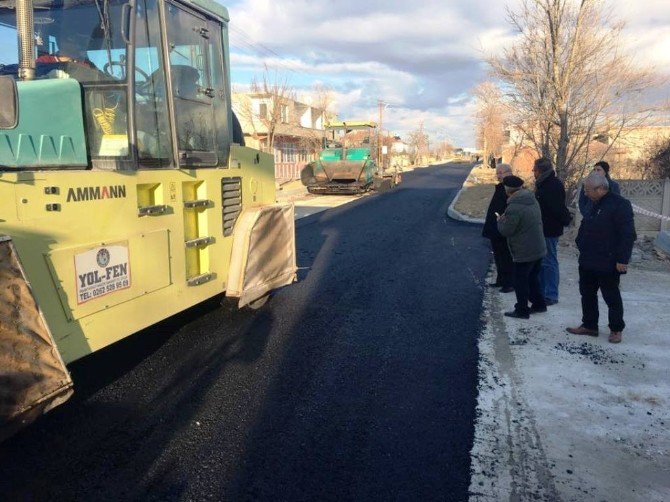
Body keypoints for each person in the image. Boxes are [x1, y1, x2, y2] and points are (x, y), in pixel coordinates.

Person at [567, 172, 636, 343]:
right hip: (588, 258)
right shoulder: (592, 203)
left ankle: (616, 328)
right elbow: (585, 225)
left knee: (611, 296)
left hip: (609, 260)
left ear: (601, 188)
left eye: (588, 190)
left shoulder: (620, 204)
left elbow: (628, 234)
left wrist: (622, 259)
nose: (586, 193)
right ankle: (589, 325)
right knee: (587, 294)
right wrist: (580, 242)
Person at [497, 175, 547, 319]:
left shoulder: (514, 207)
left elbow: (506, 230)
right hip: (538, 246)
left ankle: (522, 310)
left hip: (524, 250)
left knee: (520, 281)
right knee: (532, 278)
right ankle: (539, 304)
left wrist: (500, 221)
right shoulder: (531, 199)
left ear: (507, 190)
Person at [533, 157, 572, 305]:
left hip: (549, 229)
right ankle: (542, 292)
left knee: (549, 262)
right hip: (543, 228)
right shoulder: (544, 183)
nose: (532, 172)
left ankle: (551, 295)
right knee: (543, 262)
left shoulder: (552, 185)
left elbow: (556, 209)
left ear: (540, 171)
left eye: (534, 169)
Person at [482, 163, 514, 292]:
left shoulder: (510, 188)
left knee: (506, 257)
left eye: (501, 173)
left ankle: (509, 283)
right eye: (497, 173)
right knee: (498, 256)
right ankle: (501, 280)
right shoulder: (500, 187)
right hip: (495, 228)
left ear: (509, 172)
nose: (498, 175)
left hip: (504, 229)